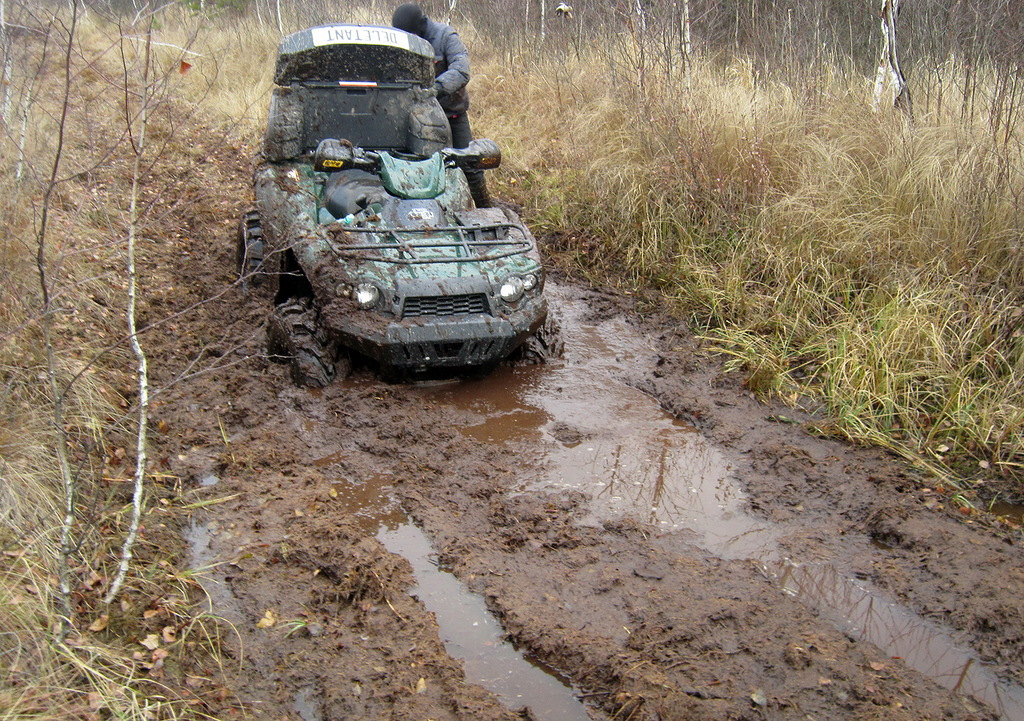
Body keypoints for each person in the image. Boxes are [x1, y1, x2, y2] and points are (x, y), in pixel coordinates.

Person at [392, 2, 491, 208]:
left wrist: (436, 88)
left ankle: (485, 211)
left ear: (421, 25)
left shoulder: (446, 36)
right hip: (414, 118)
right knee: (413, 168)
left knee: (470, 166)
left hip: (451, 114)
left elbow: (462, 70)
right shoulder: (399, 40)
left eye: (411, 34)